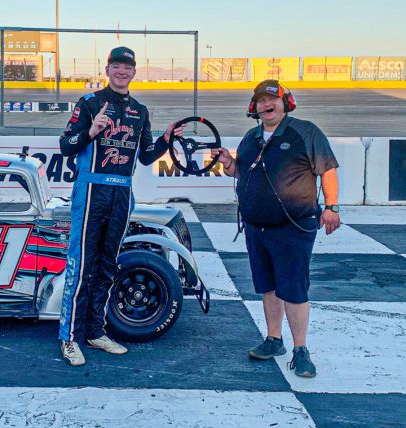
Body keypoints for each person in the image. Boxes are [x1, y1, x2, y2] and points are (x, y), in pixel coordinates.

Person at [58, 46, 184, 366]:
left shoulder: (140, 111)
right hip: (91, 191)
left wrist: (167, 139)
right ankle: (69, 338)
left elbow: (145, 156)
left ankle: (95, 332)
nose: (121, 72)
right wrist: (91, 131)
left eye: (127, 67)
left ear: (134, 72)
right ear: (107, 69)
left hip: (122, 194)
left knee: (107, 266)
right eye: (116, 66)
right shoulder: (89, 103)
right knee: (81, 265)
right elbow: (65, 146)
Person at [211, 79, 341, 378]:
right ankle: (274, 340)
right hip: (258, 228)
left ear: (285, 102)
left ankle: (300, 350)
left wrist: (332, 207)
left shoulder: (305, 131)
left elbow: (328, 169)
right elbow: (241, 171)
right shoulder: (251, 136)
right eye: (260, 101)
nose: (266, 105)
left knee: (293, 289)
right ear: (253, 108)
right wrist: (227, 162)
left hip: (293, 227)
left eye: (272, 99)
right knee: (267, 287)